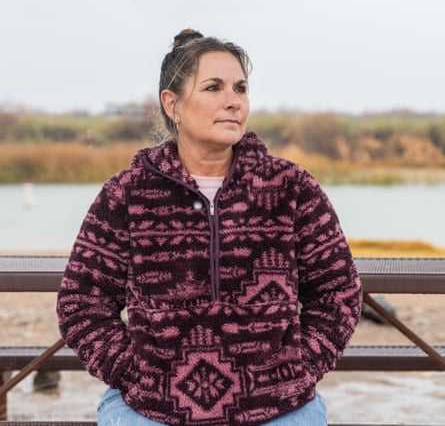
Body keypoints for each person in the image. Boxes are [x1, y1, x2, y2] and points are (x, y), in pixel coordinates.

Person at [57, 28, 362, 426]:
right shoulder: (127, 195)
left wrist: (298, 367)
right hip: (151, 409)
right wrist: (134, 373)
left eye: (240, 88)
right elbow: (82, 303)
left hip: (281, 406)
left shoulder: (291, 187)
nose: (233, 101)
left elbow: (337, 292)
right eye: (214, 88)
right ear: (173, 104)